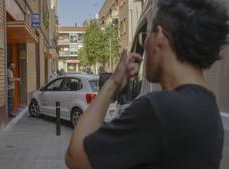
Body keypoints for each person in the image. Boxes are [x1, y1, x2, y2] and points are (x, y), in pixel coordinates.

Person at [65, 0, 229, 169]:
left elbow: (75, 157)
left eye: (146, 37)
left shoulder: (157, 109)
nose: (144, 47)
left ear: (159, 36)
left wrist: (112, 83)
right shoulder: (210, 109)